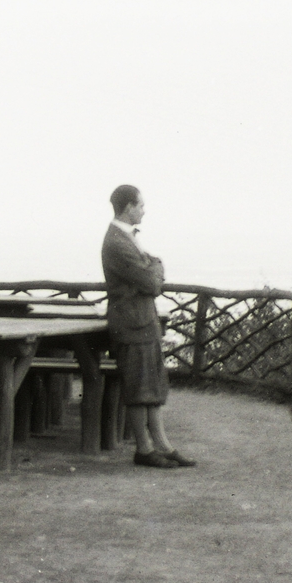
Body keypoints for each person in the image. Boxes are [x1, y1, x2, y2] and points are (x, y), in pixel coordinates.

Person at [101, 185, 195, 468]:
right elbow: (152, 282)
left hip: (143, 321)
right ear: (128, 206)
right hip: (131, 323)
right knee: (138, 388)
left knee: (152, 386)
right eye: (141, 205)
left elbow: (149, 273)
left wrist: (153, 265)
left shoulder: (126, 238)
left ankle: (162, 446)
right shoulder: (117, 242)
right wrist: (157, 264)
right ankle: (143, 449)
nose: (144, 210)